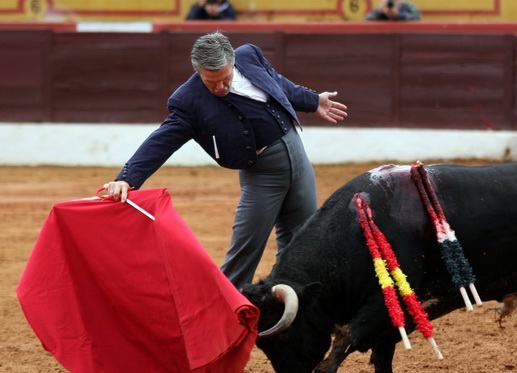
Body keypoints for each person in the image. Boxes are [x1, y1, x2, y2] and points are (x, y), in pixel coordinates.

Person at [103, 32, 347, 288]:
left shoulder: (249, 55)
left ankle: (292, 306)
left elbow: (276, 83)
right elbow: (160, 142)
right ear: (198, 72)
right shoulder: (188, 101)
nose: (220, 87)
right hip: (262, 174)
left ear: (232, 62)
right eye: (211, 82)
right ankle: (227, 313)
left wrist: (310, 100)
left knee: (302, 241)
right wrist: (127, 178)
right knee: (245, 249)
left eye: (225, 78)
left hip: (297, 156)